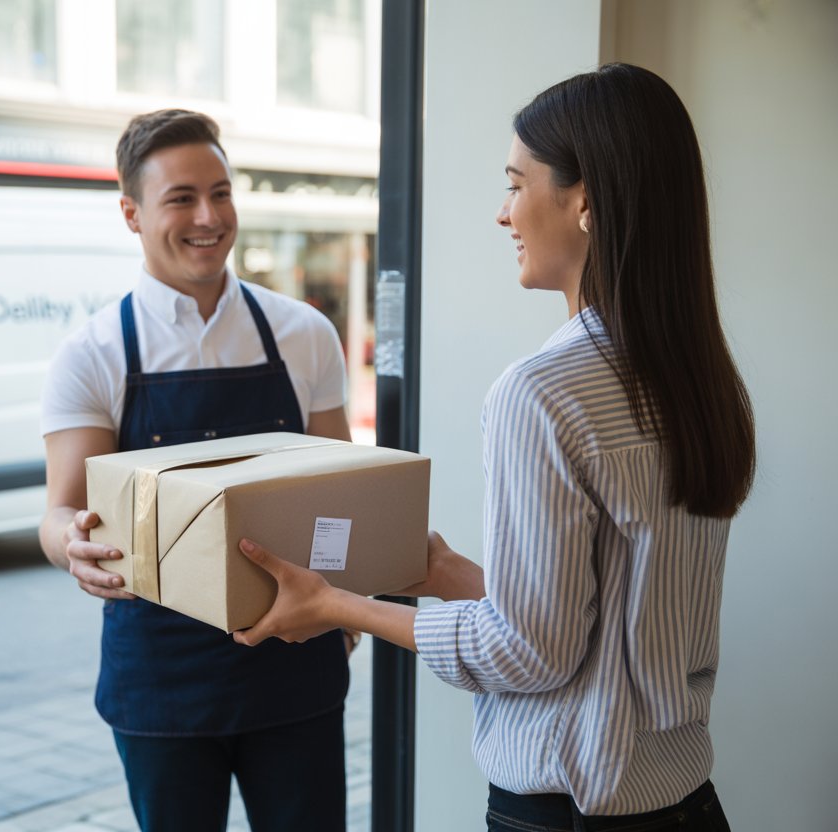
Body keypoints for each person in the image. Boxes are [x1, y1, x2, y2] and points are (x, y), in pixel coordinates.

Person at [232, 63, 755, 831]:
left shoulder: (543, 392)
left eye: (516, 184)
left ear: (585, 200)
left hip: (571, 814)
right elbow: (593, 626)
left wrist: (337, 605)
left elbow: (529, 653)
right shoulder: (700, 380)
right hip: (687, 806)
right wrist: (444, 571)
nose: (504, 213)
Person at [39, 109, 354, 832]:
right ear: (132, 213)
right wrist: (72, 548)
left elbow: (340, 494)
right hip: (160, 678)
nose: (208, 217)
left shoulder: (304, 335)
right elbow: (60, 513)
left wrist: (348, 593)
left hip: (294, 661)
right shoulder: (91, 355)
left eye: (222, 192)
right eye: (181, 198)